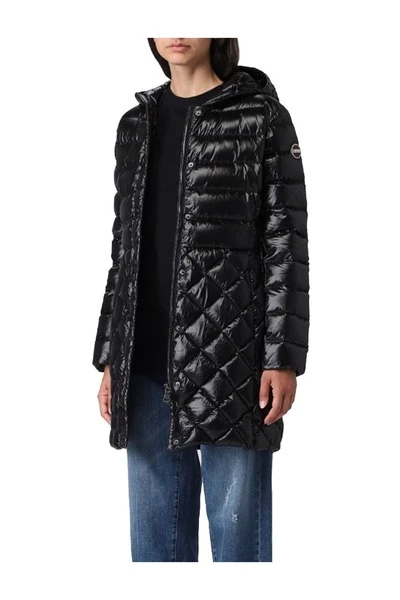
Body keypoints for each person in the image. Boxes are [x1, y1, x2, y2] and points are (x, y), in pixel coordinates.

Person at [93, 38, 310, 562]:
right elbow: (124, 251)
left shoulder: (262, 118)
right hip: (144, 364)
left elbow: (285, 245)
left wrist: (282, 358)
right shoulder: (134, 126)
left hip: (232, 364)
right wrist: (110, 357)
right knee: (154, 553)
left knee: (239, 550)